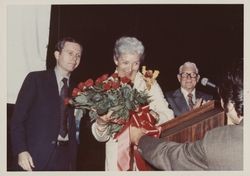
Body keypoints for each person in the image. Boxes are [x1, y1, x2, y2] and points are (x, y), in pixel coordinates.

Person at [130, 60, 243, 170]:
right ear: (179, 78)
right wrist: (193, 113)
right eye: (185, 74)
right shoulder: (167, 98)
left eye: (193, 74)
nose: (189, 78)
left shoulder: (209, 99)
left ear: (198, 78)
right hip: (179, 153)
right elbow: (165, 126)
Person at [91, 36, 174, 171]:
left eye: (135, 63)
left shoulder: (149, 83)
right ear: (115, 59)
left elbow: (169, 116)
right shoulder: (104, 86)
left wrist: (153, 117)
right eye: (125, 63)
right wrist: (102, 122)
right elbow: (100, 137)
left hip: (147, 157)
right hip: (116, 164)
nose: (130, 69)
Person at [10, 37, 83, 171]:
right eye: (70, 53)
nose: (75, 58)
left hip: (66, 158)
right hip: (34, 157)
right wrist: (21, 150)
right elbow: (17, 120)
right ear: (57, 54)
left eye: (78, 55)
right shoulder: (36, 79)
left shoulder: (79, 90)